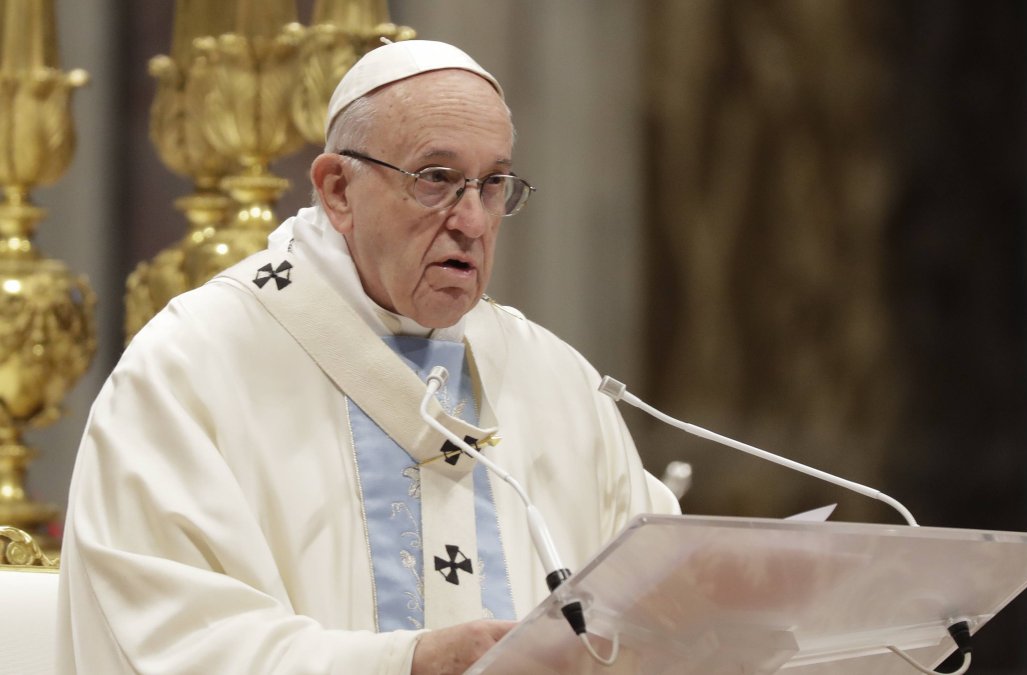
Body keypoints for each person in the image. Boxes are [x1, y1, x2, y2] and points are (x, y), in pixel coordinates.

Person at [57, 39, 678, 675]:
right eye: (436, 179)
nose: (471, 220)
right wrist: (408, 662)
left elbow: (662, 612)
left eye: (493, 184)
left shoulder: (553, 378)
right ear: (337, 190)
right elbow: (172, 638)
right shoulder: (191, 366)